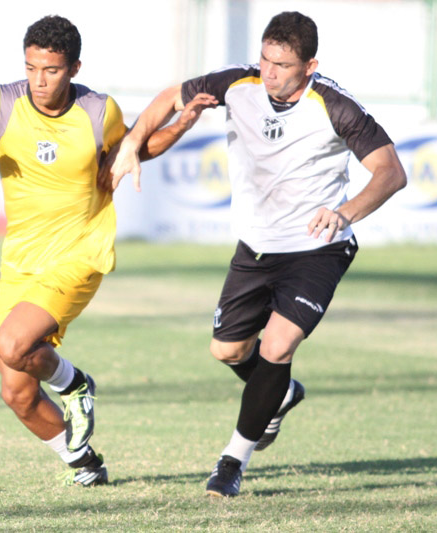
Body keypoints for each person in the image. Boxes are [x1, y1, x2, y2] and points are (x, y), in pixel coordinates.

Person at [101, 11, 407, 496]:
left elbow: (391, 171)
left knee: (277, 347)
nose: (268, 72)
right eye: (264, 59)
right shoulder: (237, 85)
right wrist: (134, 142)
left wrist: (345, 213)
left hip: (317, 248)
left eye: (282, 65)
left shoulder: (336, 105)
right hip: (256, 245)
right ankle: (279, 393)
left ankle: (231, 462)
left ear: (310, 65)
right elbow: (169, 96)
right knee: (227, 350)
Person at [0, 15, 204, 487]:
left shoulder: (96, 111)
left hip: (80, 253)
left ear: (74, 68)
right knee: (18, 393)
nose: (39, 81)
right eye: (31, 69)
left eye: (51, 70)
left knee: (13, 343)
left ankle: (74, 384)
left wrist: (183, 122)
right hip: (20, 264)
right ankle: (85, 465)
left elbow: (135, 149)